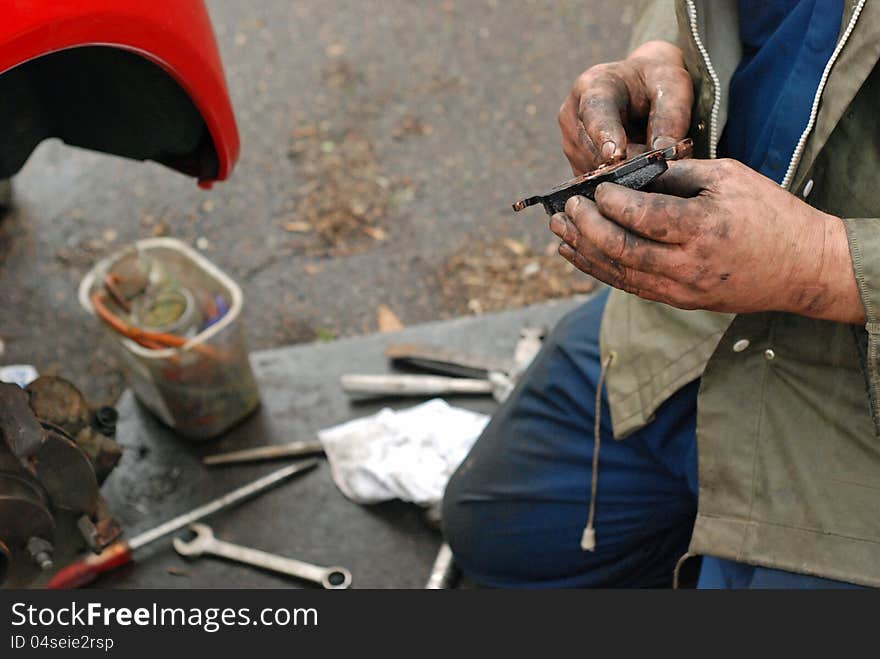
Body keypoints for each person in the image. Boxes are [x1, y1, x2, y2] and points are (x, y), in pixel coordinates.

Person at [442, 0, 880, 588]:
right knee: (499, 533)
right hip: (693, 319)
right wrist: (660, 55)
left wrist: (824, 263)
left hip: (857, 415)